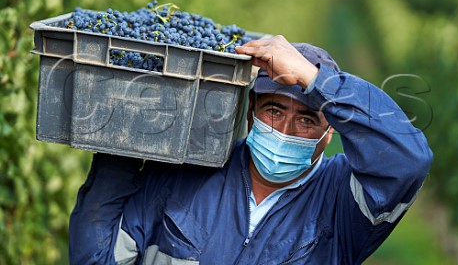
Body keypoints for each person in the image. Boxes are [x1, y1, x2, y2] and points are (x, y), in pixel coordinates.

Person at [69, 35, 433, 264]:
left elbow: (408, 160)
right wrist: (118, 144)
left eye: (307, 119)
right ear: (249, 114)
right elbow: (95, 257)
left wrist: (316, 80)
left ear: (329, 132)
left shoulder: (343, 204)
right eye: (274, 111)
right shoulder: (185, 171)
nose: (286, 130)